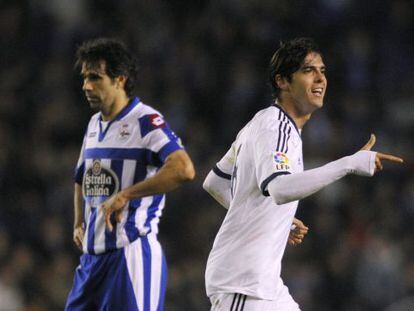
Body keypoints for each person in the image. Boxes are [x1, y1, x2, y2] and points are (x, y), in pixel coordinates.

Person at [203, 37, 403, 311]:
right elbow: (280, 188)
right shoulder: (276, 127)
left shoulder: (266, 124)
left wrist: (278, 219)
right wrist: (348, 164)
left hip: (266, 287)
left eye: (323, 70)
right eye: (309, 70)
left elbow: (215, 182)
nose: (320, 78)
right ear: (283, 81)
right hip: (243, 286)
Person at [65, 38, 195, 311]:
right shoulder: (93, 124)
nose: (86, 86)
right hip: (91, 262)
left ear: (120, 79)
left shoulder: (145, 121)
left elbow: (183, 169)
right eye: (84, 77)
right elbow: (80, 177)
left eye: (95, 77)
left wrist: (127, 194)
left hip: (129, 254)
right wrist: (79, 222)